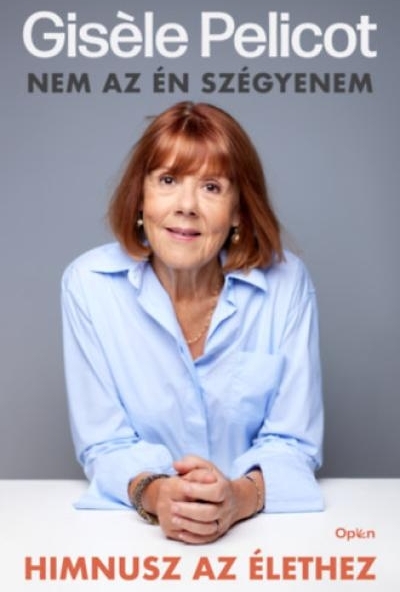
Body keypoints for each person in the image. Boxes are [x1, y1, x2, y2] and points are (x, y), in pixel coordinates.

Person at [61, 101, 324, 544]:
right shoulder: (88, 285)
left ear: (238, 210)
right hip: (135, 541)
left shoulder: (287, 283)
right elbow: (104, 443)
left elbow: (294, 441)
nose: (186, 206)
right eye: (167, 180)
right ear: (140, 197)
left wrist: (237, 498)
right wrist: (158, 495)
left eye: (211, 187)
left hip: (265, 540)